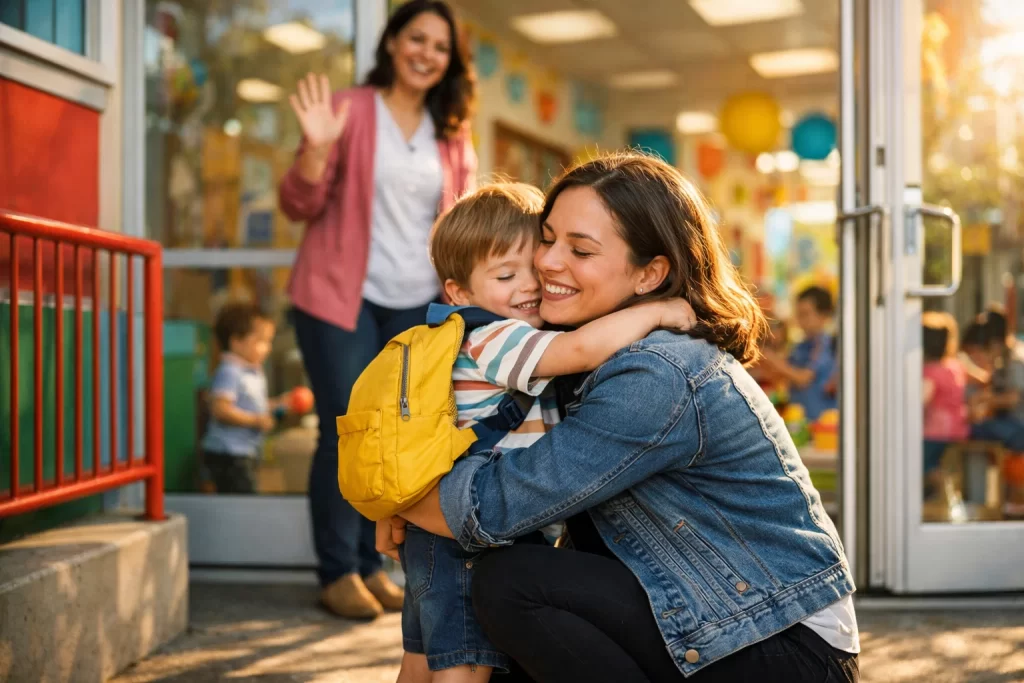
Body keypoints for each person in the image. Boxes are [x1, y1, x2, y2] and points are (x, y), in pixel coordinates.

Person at [381, 153, 860, 682]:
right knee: (491, 620)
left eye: (580, 249)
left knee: (510, 584)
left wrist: (401, 499)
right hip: (706, 610)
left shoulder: (657, 372)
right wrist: (410, 500)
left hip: (778, 644)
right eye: (547, 238)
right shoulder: (565, 348)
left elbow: (495, 507)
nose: (547, 262)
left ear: (650, 273)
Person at [395, 183, 697, 683]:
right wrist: (655, 312)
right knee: (465, 665)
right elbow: (577, 352)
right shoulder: (496, 335)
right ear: (458, 293)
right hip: (468, 532)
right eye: (505, 275)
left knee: (423, 659)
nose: (530, 286)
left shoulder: (488, 332)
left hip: (446, 525)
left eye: (533, 269)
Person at [277, 0, 478, 619]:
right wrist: (314, 153)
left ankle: (370, 564)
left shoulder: (451, 131)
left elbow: (459, 221)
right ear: (393, 43)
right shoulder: (351, 110)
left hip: (413, 303)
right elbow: (296, 203)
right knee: (345, 430)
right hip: (341, 297)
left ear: (449, 62)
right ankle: (337, 570)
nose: (426, 53)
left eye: (439, 47)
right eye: (416, 38)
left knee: (394, 434)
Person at [201, 302, 284, 494]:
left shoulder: (252, 372)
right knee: (242, 495)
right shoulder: (230, 371)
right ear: (236, 342)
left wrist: (279, 404)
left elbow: (253, 406)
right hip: (228, 453)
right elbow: (220, 409)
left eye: (269, 341)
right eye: (261, 342)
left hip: (244, 452)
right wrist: (256, 421)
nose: (268, 348)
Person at [761, 285, 838, 421]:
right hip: (800, 421)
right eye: (799, 315)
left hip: (821, 423)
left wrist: (770, 358)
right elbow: (781, 375)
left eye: (806, 314)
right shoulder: (801, 346)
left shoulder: (824, 344)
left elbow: (803, 378)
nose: (801, 321)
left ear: (823, 316)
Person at [921, 312, 969, 499]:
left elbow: (921, 401)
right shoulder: (954, 366)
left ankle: (946, 494)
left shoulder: (931, 372)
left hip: (935, 432)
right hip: (957, 429)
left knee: (921, 464)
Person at [970, 306, 1024, 451]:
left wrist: (986, 400)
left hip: (1018, 427)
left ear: (995, 343)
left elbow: (1013, 399)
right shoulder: (1003, 360)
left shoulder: (1015, 360)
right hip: (1012, 424)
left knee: (972, 430)